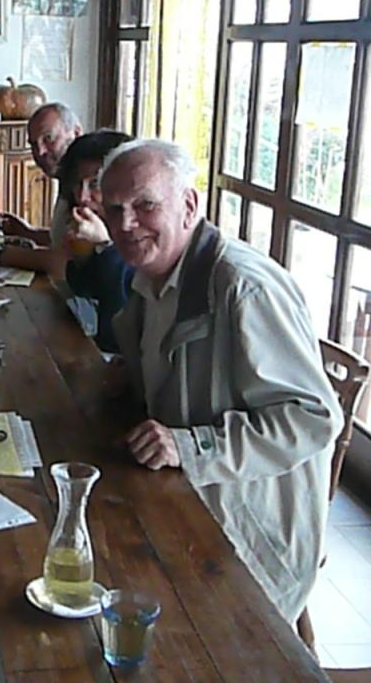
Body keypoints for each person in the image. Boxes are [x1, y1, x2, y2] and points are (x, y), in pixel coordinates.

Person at [101, 139, 342, 623]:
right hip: (185, 503)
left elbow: (314, 419)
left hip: (250, 544)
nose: (126, 224)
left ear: (189, 205)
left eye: (145, 205)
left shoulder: (242, 287)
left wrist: (189, 446)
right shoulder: (150, 279)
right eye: (114, 209)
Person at [59, 130, 134, 353]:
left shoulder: (139, 232)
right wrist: (82, 259)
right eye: (77, 184)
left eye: (95, 184)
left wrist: (105, 246)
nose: (82, 196)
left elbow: (118, 325)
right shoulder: (97, 222)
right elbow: (84, 289)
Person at [0, 102, 83, 251]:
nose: (40, 152)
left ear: (76, 133)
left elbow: (65, 260)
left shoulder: (87, 187)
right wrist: (27, 232)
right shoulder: (67, 177)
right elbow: (61, 240)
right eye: (33, 144)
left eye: (48, 138)